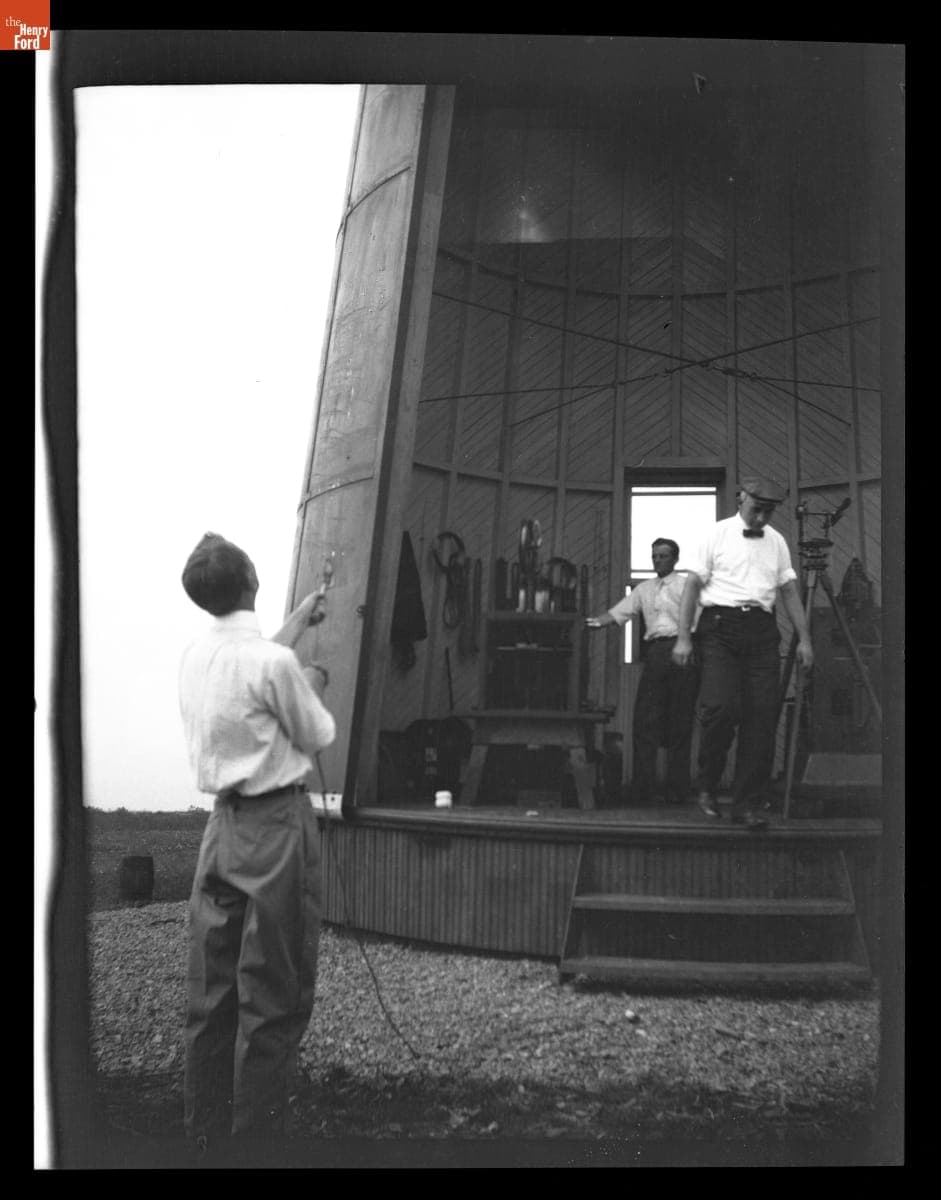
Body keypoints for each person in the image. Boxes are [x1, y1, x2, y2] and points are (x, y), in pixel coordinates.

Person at [178, 532, 336, 1153]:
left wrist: (301, 617)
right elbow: (316, 734)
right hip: (275, 830)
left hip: (221, 830)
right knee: (272, 998)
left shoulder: (197, 654)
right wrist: (312, 681)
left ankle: (206, 1139)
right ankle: (257, 1149)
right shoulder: (277, 667)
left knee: (211, 996)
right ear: (252, 582)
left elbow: (251, 663)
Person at [671, 479, 814, 830]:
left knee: (762, 718)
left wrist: (805, 639)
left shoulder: (777, 542)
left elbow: (789, 592)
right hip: (720, 628)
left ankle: (746, 805)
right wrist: (683, 638)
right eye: (756, 509)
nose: (761, 518)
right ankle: (707, 784)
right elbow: (691, 587)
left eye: (768, 512)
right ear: (741, 499)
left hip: (762, 631)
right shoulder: (716, 534)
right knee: (720, 709)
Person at [587, 538, 700, 806]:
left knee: (680, 721)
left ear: (675, 559)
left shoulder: (686, 586)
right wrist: (592, 622)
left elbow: (698, 618)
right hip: (656, 652)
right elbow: (620, 612)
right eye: (654, 556)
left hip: (683, 649)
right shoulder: (644, 589)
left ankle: (677, 792)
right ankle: (644, 792)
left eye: (663, 556)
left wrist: (690, 646)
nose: (657, 560)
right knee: (645, 721)